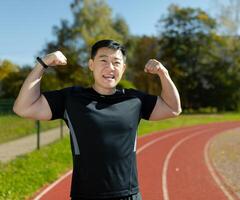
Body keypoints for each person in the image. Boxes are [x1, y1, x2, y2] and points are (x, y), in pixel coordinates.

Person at [13, 39, 181, 200]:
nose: (110, 67)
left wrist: (163, 73)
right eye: (103, 60)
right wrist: (43, 64)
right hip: (85, 195)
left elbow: (173, 108)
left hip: (128, 194)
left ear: (123, 68)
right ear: (91, 64)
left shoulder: (134, 100)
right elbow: (23, 108)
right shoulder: (71, 98)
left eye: (116, 62)